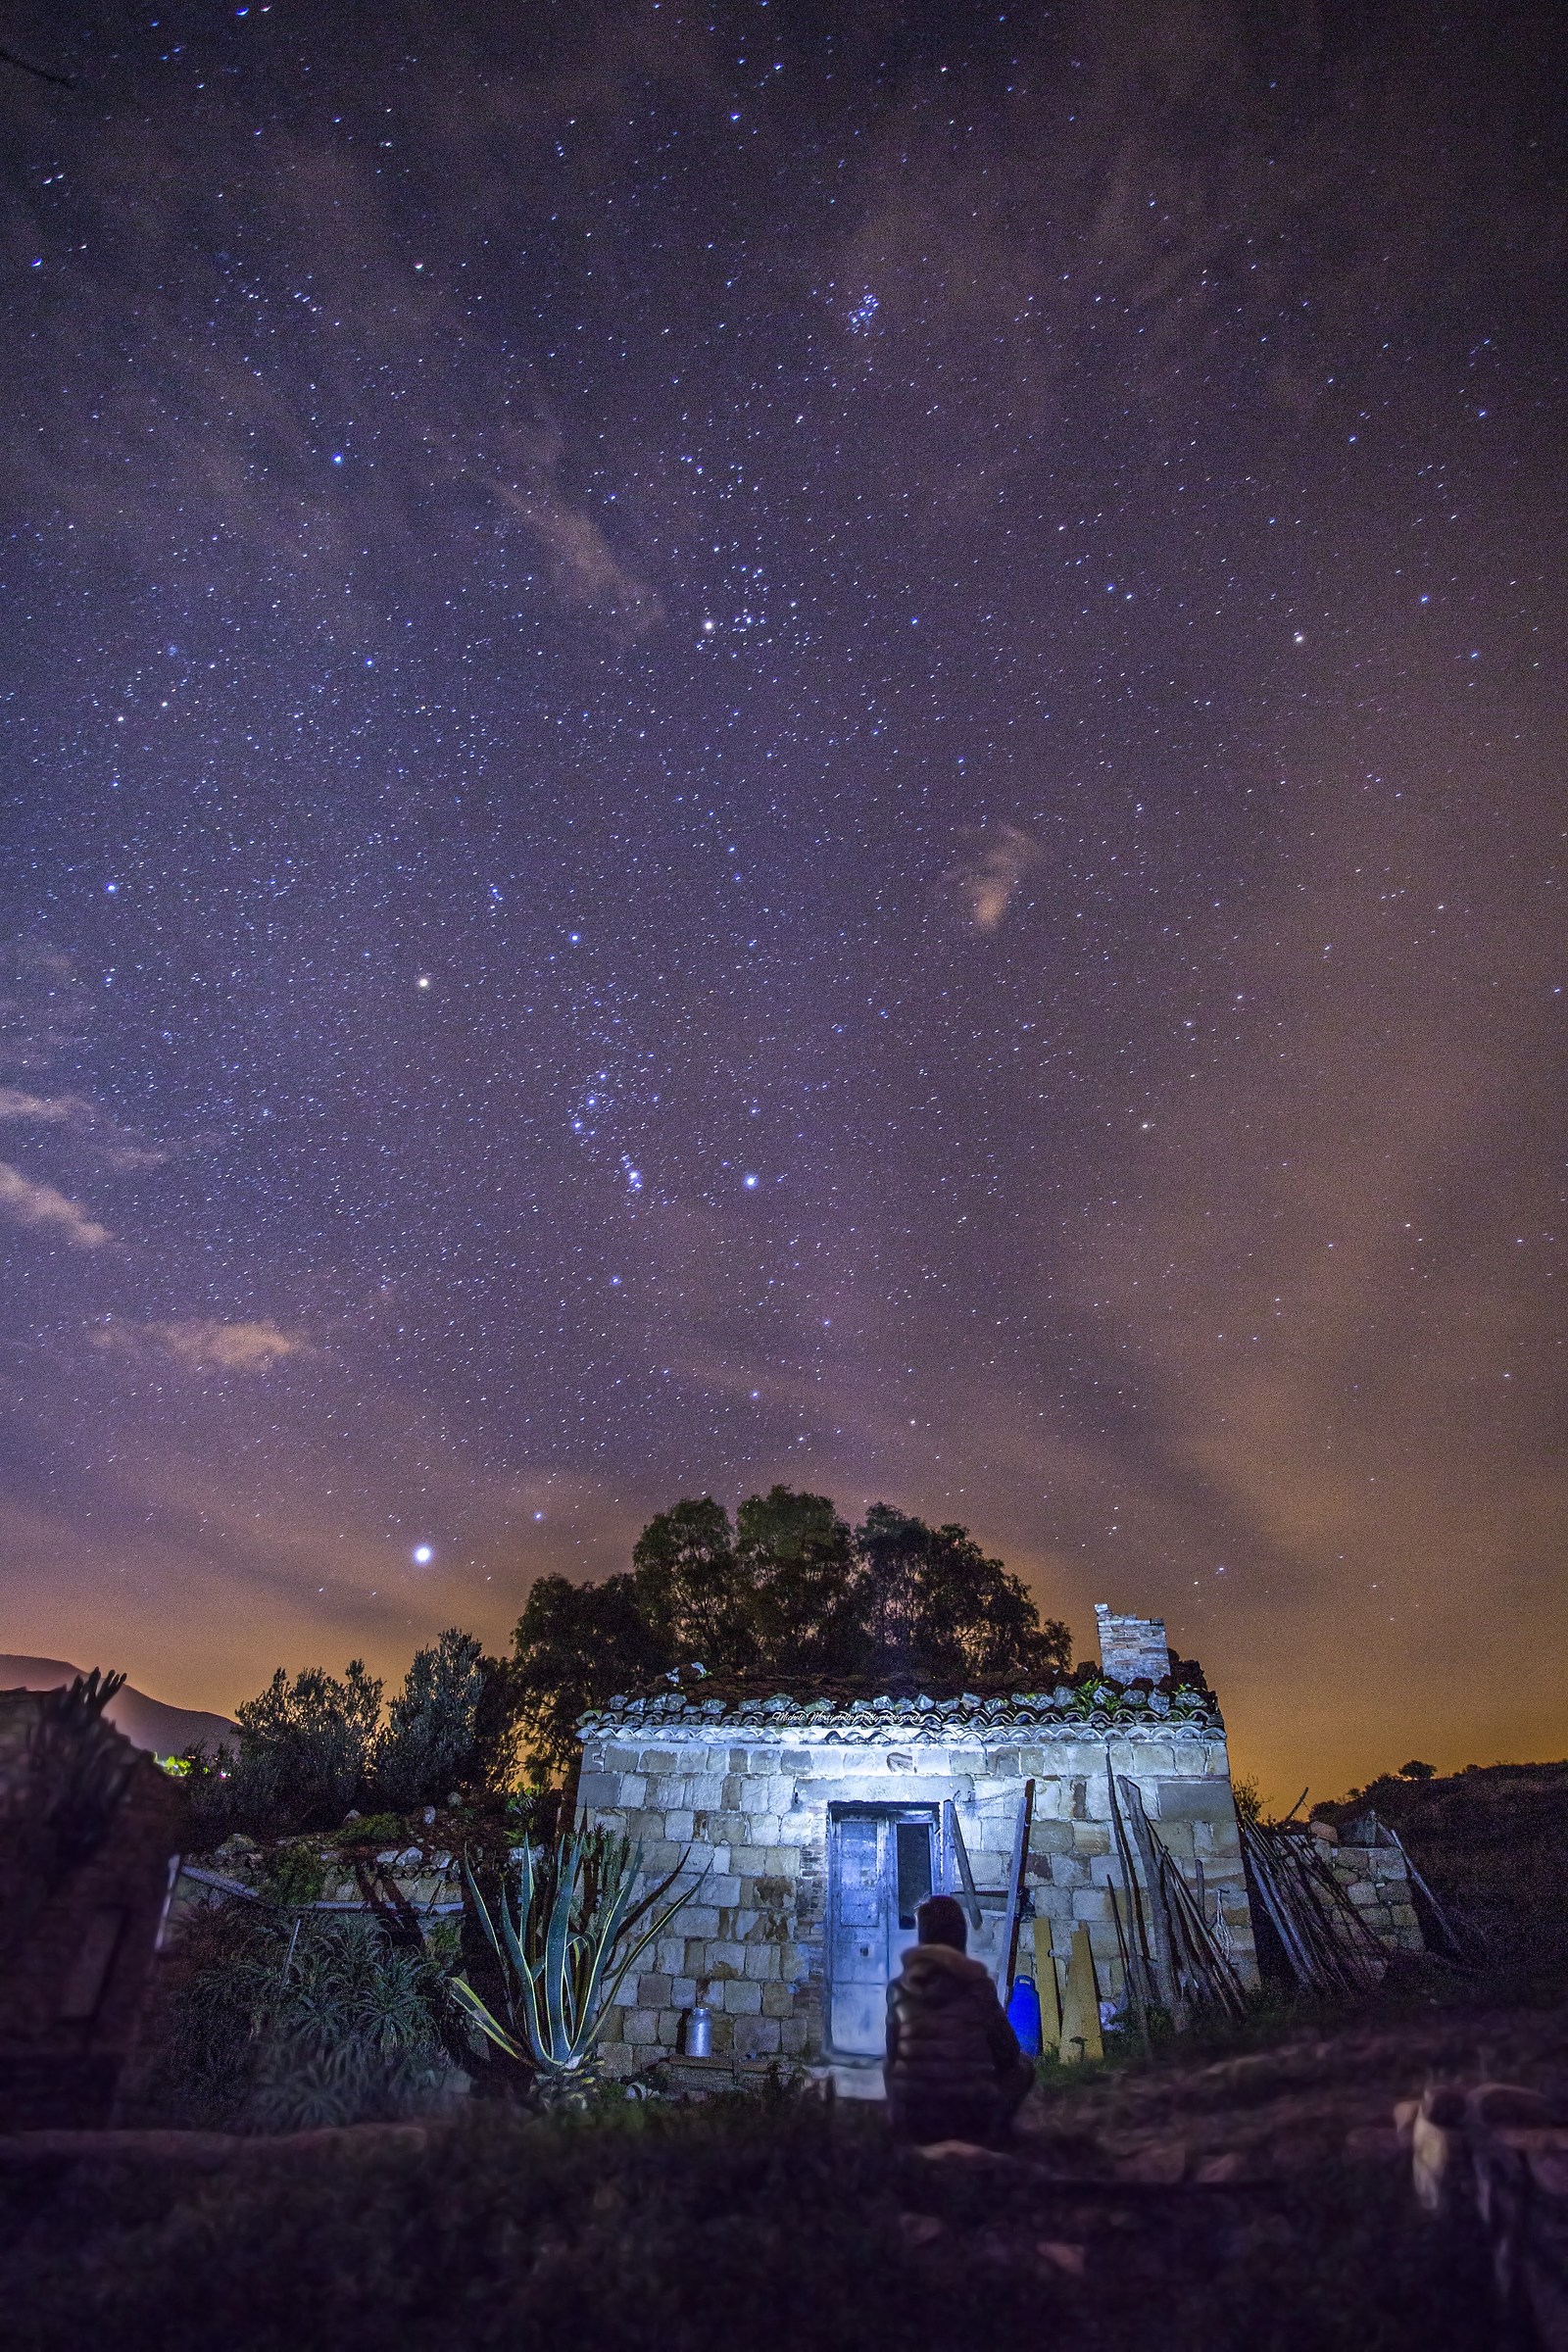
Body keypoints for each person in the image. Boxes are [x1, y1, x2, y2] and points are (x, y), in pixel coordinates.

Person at [884, 1893, 1036, 2145]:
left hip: (916, 2112)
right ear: (960, 1937)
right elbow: (1007, 2051)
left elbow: (893, 2053)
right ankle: (995, 2133)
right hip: (967, 2113)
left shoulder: (898, 1988)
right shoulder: (978, 1986)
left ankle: (907, 2128)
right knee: (1023, 2067)